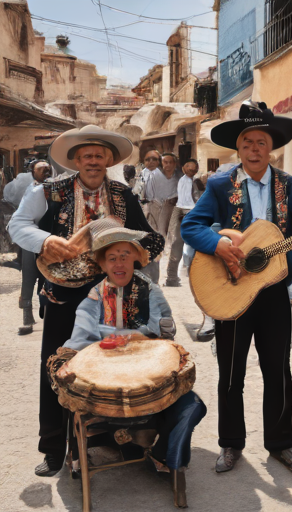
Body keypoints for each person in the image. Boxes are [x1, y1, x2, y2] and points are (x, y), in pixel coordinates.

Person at [181, 100, 292, 476]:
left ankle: (281, 444)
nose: (255, 149)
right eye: (248, 142)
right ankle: (231, 444)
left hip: (271, 292)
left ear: (273, 148)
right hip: (232, 290)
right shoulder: (220, 184)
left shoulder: (290, 185)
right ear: (238, 148)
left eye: (262, 142)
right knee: (231, 372)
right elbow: (192, 226)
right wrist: (218, 243)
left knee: (277, 369)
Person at [7, 125, 165, 477]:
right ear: (76, 160)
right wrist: (46, 242)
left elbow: (150, 239)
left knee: (109, 366)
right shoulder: (48, 190)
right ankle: (53, 448)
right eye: (87, 156)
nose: (93, 161)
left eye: (99, 156)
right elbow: (18, 225)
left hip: (112, 295)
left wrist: (137, 253)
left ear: (109, 160)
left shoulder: (123, 194)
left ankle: (108, 436)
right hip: (63, 294)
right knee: (57, 366)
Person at [62, 220, 206, 509]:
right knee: (68, 392)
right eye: (112, 257)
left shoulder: (150, 291)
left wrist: (140, 338)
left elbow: (166, 329)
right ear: (102, 264)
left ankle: (165, 455)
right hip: (105, 387)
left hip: (148, 383)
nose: (119, 263)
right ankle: (78, 453)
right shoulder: (93, 298)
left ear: (136, 259)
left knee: (192, 405)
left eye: (126, 255)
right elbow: (79, 341)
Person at [8, 160, 52, 335]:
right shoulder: (28, 190)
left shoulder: (56, 186)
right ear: (33, 173)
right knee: (29, 275)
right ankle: (27, 315)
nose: (46, 172)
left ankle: (49, 314)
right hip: (31, 238)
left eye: (48, 169)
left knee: (51, 275)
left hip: (51, 237)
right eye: (41, 170)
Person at [165, 159, 205, 287]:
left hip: (188, 212)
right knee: (180, 244)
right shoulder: (182, 181)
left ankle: (190, 277)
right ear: (183, 168)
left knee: (188, 245)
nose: (190, 170)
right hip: (184, 211)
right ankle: (173, 277)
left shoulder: (193, 182)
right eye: (188, 167)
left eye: (193, 168)